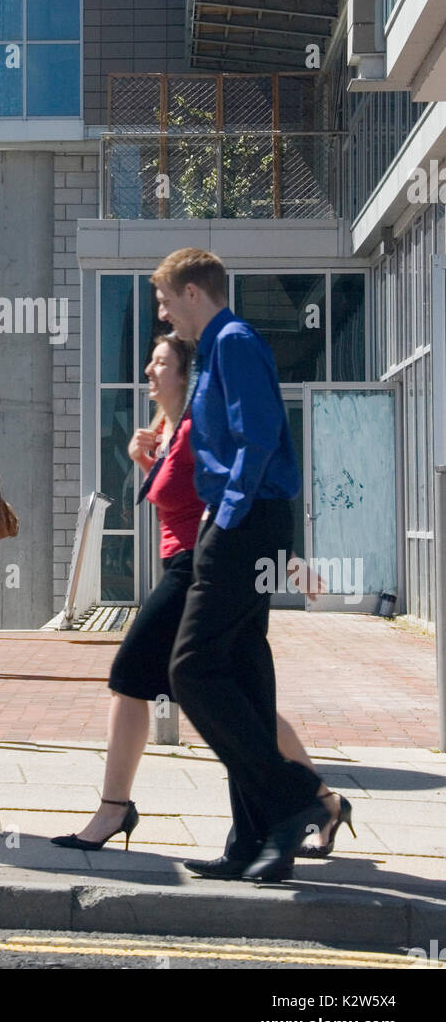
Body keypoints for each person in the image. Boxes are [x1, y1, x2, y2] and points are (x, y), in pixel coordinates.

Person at [52, 334, 352, 860]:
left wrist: (287, 558)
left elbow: (246, 490)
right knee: (243, 701)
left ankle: (114, 807)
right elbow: (175, 502)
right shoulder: (167, 431)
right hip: (188, 563)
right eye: (150, 360)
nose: (149, 369)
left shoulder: (197, 428)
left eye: (161, 362)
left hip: (205, 569)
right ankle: (321, 800)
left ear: (186, 374)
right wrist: (141, 460)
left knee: (130, 675)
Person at [155, 247, 352, 883]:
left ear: (192, 292)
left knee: (189, 670)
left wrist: (224, 518)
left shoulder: (232, 340)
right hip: (256, 521)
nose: (163, 314)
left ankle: (291, 800)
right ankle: (255, 841)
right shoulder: (221, 346)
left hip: (245, 524)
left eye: (164, 300)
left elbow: (259, 435)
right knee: (241, 676)